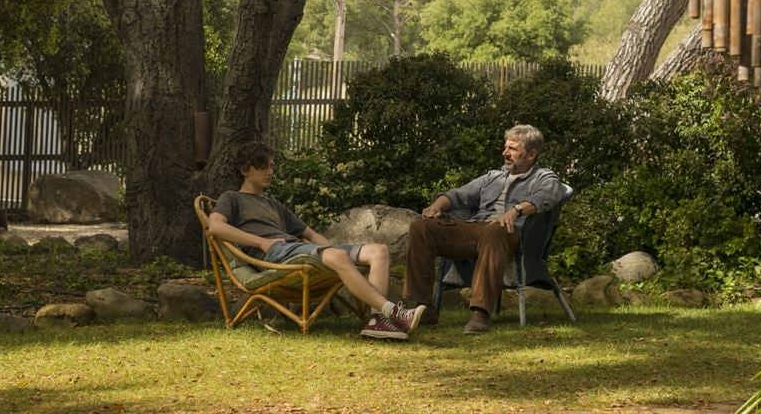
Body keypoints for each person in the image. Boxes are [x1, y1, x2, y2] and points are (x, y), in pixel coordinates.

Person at [207, 141, 427, 340]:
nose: (270, 172)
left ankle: (378, 322)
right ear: (245, 170)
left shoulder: (274, 205)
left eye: (272, 166)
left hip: (300, 249)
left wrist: (331, 253)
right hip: (275, 254)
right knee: (338, 255)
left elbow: (312, 235)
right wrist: (261, 243)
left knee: (378, 251)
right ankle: (393, 312)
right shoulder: (232, 198)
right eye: (263, 166)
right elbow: (215, 226)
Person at [402, 124, 562, 334]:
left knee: (494, 230)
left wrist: (516, 211)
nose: (505, 152)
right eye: (505, 147)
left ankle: (480, 314)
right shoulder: (493, 177)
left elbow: (547, 197)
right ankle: (422, 309)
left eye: (512, 149)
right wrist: (436, 207)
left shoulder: (544, 177)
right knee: (421, 228)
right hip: (476, 228)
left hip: (510, 233)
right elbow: (458, 195)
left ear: (531, 154)